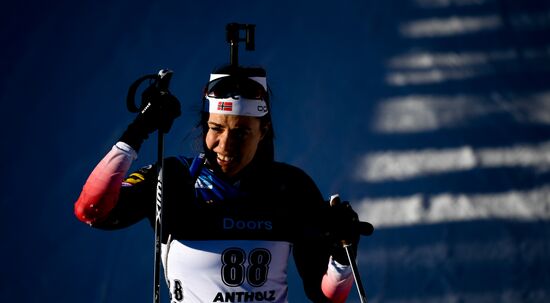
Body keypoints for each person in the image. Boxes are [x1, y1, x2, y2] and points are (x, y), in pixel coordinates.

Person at [74, 64, 371, 302]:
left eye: (241, 132)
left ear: (263, 131)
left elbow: (326, 296)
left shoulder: (290, 186)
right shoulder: (173, 177)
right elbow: (93, 211)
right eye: (216, 128)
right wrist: (138, 129)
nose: (226, 146)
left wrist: (341, 254)